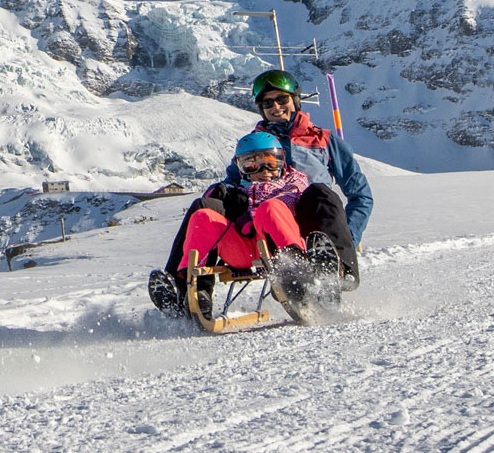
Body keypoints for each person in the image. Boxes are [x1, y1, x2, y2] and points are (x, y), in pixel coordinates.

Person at [152, 131, 317, 316]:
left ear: (282, 162)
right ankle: (194, 290)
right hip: (243, 251)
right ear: (240, 167)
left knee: (270, 207)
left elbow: (296, 202)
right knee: (203, 216)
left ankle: (296, 273)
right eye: (252, 165)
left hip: (277, 248)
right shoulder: (234, 189)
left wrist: (252, 211)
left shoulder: (293, 183)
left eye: (271, 163)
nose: (264, 172)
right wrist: (224, 197)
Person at [250, 68, 369, 284]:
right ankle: (180, 288)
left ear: (295, 100)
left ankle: (338, 267)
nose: (276, 107)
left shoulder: (323, 140)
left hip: (317, 226)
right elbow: (233, 187)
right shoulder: (253, 146)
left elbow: (361, 195)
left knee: (319, 191)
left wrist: (346, 235)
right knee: (207, 203)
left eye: (281, 99)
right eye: (267, 103)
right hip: (275, 229)